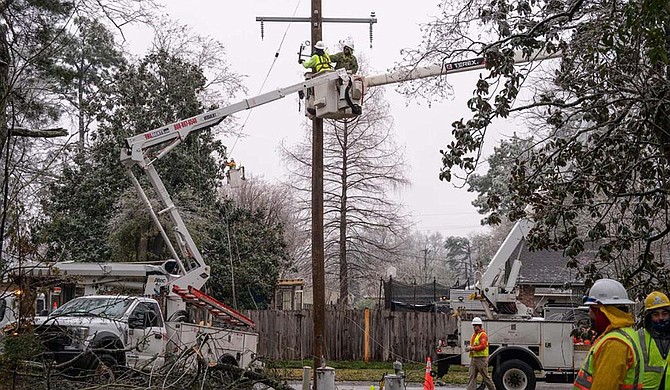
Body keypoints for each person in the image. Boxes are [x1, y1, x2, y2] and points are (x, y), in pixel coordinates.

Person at [573, 278, 644, 390]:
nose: (589, 313)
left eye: (591, 309)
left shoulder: (614, 343)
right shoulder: (627, 333)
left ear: (601, 310)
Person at [638, 291, 670, 389]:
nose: (661, 318)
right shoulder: (639, 337)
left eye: (664, 313)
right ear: (649, 316)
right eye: (656, 314)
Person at [465, 316, 495, 390]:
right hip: (474, 358)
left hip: (481, 359)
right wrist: (469, 348)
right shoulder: (475, 335)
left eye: (475, 325)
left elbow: (483, 346)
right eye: (473, 325)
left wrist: (472, 348)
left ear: (479, 325)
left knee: (485, 377)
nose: (474, 327)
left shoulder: (483, 335)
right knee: (471, 377)